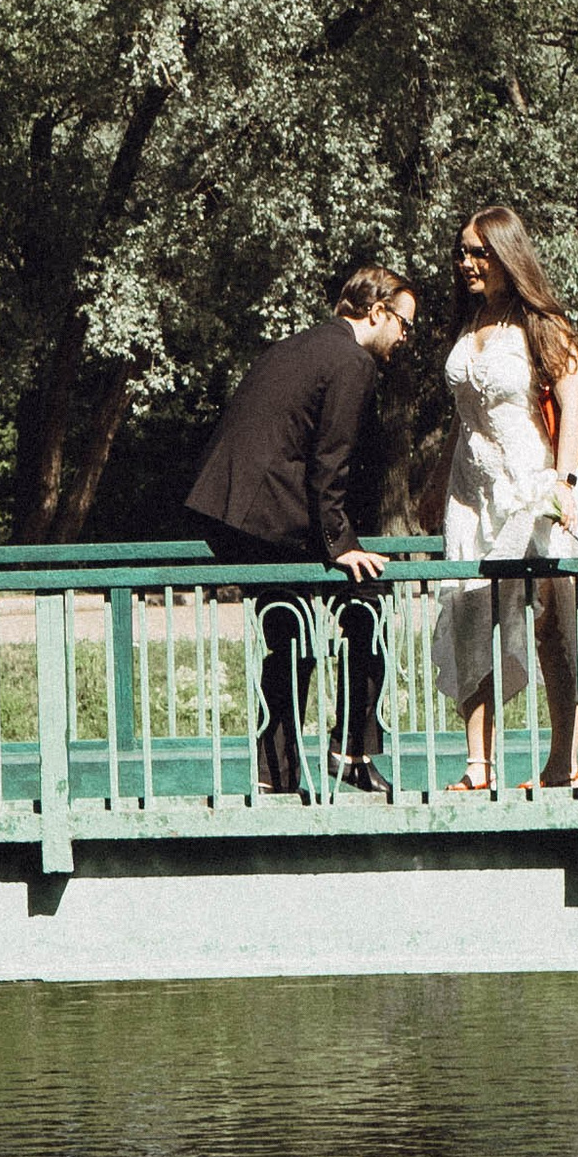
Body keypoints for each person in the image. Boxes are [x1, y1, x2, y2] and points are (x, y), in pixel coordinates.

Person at [184, 264, 416, 794]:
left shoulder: (301, 345)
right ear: (377, 312)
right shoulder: (352, 360)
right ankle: (351, 752)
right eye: (403, 323)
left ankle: (279, 772)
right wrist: (340, 545)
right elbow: (329, 460)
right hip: (265, 514)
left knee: (290, 637)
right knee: (367, 604)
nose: (404, 337)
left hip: (236, 511)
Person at [432, 205, 578, 794]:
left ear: (507, 256)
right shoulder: (467, 320)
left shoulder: (540, 322)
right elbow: (462, 415)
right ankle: (478, 765)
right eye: (462, 251)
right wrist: (437, 487)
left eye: (480, 252)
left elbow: (573, 400)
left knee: (556, 625)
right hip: (470, 493)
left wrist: (564, 479)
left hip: (534, 486)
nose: (468, 262)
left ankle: (562, 762)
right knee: (470, 614)